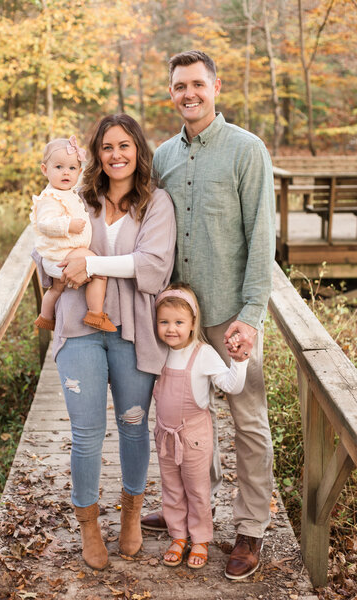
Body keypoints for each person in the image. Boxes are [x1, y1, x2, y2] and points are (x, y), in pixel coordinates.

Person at [141, 50, 276, 580]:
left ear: (216, 86)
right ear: (171, 93)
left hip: (230, 315)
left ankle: (249, 529)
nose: (189, 93)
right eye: (179, 86)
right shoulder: (163, 157)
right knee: (187, 416)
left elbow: (262, 238)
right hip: (180, 320)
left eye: (198, 83)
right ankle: (198, 514)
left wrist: (252, 314)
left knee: (247, 422)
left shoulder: (247, 150)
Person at [32, 114, 176, 570]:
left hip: (133, 331)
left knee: (134, 424)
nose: (116, 155)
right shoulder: (79, 198)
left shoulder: (157, 204)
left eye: (124, 146)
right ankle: (89, 526)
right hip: (78, 327)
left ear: (138, 150)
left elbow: (153, 266)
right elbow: (42, 246)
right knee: (86, 433)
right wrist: (60, 264)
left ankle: (132, 514)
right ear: (97, 153)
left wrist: (91, 264)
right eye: (107, 147)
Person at [154, 283, 248, 570]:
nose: (171, 329)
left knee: (197, 489)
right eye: (164, 322)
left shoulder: (203, 353)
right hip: (165, 435)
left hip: (194, 436)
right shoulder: (158, 351)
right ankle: (178, 535)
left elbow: (231, 385)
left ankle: (200, 539)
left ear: (193, 322)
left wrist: (239, 362)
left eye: (179, 322)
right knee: (171, 488)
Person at [30, 135, 116, 332]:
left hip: (64, 251)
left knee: (57, 288)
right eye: (58, 167)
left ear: (79, 171)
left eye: (72, 168)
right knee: (97, 268)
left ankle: (45, 318)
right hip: (63, 252)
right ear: (45, 170)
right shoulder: (50, 197)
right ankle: (95, 314)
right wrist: (67, 225)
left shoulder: (69, 192)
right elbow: (44, 223)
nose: (65, 173)